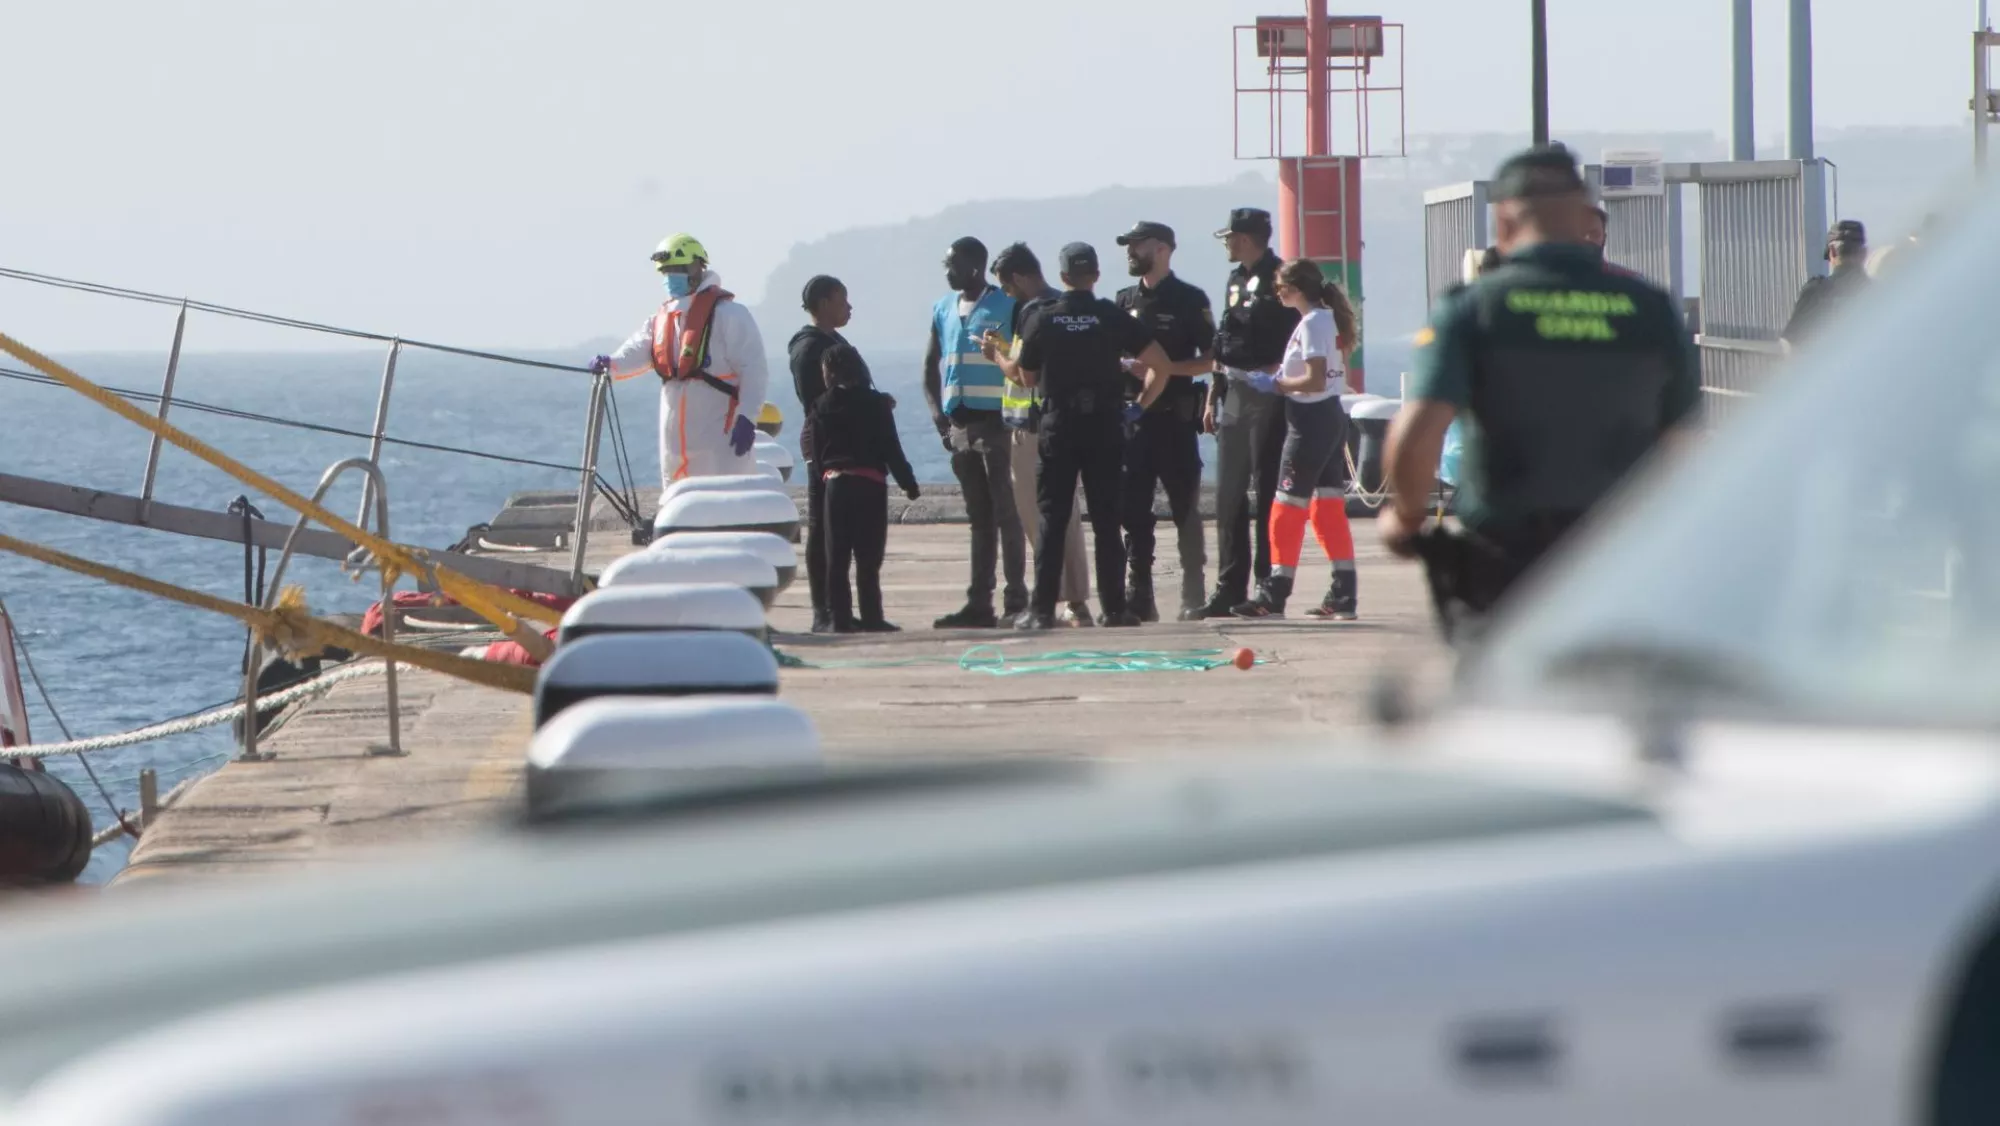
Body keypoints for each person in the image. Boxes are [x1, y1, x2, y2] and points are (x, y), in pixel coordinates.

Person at [1379, 145, 1702, 644]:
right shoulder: (1650, 309)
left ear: (1504, 223)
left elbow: (1420, 428)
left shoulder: (1474, 309)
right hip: (1619, 554)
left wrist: (1404, 519)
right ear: (1584, 220)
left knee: (1506, 706)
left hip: (1506, 562)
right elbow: (1683, 443)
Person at [1013, 242, 1174, 631]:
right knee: (1106, 519)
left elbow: (1026, 376)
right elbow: (1162, 365)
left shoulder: (1044, 318)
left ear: (1063, 276)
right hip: (1104, 425)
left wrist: (1000, 359)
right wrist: (1138, 406)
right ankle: (1115, 609)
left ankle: (1040, 611)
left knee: (1052, 518)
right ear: (1096, 275)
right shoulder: (1111, 316)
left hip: (1059, 425)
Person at [1231, 260, 1360, 620]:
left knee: (1286, 509)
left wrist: (1275, 385)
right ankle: (1343, 593)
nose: (1277, 293)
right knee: (1327, 509)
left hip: (1310, 420)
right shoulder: (1324, 320)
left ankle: (1274, 594)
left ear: (1297, 289)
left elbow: (1314, 380)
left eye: (1281, 287)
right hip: (1330, 417)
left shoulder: (1313, 323)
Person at [592, 234, 769, 487]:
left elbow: (754, 370)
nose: (670, 277)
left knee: (724, 500)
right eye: (666, 272)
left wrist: (747, 417)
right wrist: (610, 363)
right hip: (674, 443)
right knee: (677, 501)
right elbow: (636, 350)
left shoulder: (730, 315)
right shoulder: (661, 319)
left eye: (677, 269)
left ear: (697, 266)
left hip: (719, 437)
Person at [1192, 208, 1298, 620]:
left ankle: (1266, 587)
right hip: (1234, 392)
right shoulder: (1236, 279)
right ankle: (1228, 587)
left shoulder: (1282, 278)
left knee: (1268, 491)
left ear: (1249, 238)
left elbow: (1298, 333)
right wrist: (1212, 396)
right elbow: (1224, 339)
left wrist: (1280, 373)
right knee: (1229, 495)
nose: (1227, 245)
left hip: (1268, 394)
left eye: (1231, 237)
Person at [984, 243, 1095, 626]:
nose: (1007, 294)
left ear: (1017, 278)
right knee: (1061, 518)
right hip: (1047, 425)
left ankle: (1066, 600)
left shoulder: (1034, 312)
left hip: (1032, 430)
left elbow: (1023, 374)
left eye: (1007, 286)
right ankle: (1069, 598)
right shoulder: (1061, 308)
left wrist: (995, 356)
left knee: (1044, 519)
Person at [923, 237, 1026, 629]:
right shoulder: (942, 309)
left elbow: (1025, 360)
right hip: (960, 428)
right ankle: (978, 603)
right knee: (979, 518)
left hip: (997, 426)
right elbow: (929, 366)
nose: (947, 271)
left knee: (1007, 513)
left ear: (974, 266)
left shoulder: (1007, 305)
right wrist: (938, 417)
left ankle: (1016, 600)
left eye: (953, 264)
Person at [1113, 221, 1214, 622]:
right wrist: (1126, 366)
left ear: (1162, 249)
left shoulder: (1189, 299)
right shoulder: (1121, 302)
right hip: (1133, 424)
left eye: (1137, 245)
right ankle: (1140, 595)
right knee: (1133, 514)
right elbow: (1108, 352)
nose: (1130, 252)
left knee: (1185, 510)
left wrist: (1167, 368)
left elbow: (1212, 358)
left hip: (1175, 421)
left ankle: (1193, 593)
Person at [805, 342, 920, 633]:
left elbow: (815, 452)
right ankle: (872, 617)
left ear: (828, 372)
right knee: (868, 559)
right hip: (870, 485)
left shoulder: (820, 405)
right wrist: (908, 484)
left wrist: (823, 481)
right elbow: (892, 449)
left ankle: (840, 620)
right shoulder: (876, 404)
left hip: (836, 486)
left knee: (837, 559)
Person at [789, 275, 853, 633]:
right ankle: (822, 610)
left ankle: (841, 607)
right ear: (825, 303)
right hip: (825, 442)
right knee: (822, 526)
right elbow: (815, 398)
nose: (849, 307)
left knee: (842, 528)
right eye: (843, 300)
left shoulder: (835, 340)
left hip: (846, 442)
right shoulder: (808, 347)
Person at [1782, 221, 1870, 347]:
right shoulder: (1883, 295)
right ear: (1864, 253)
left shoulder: (1816, 292)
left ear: (1832, 252)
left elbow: (1790, 343)